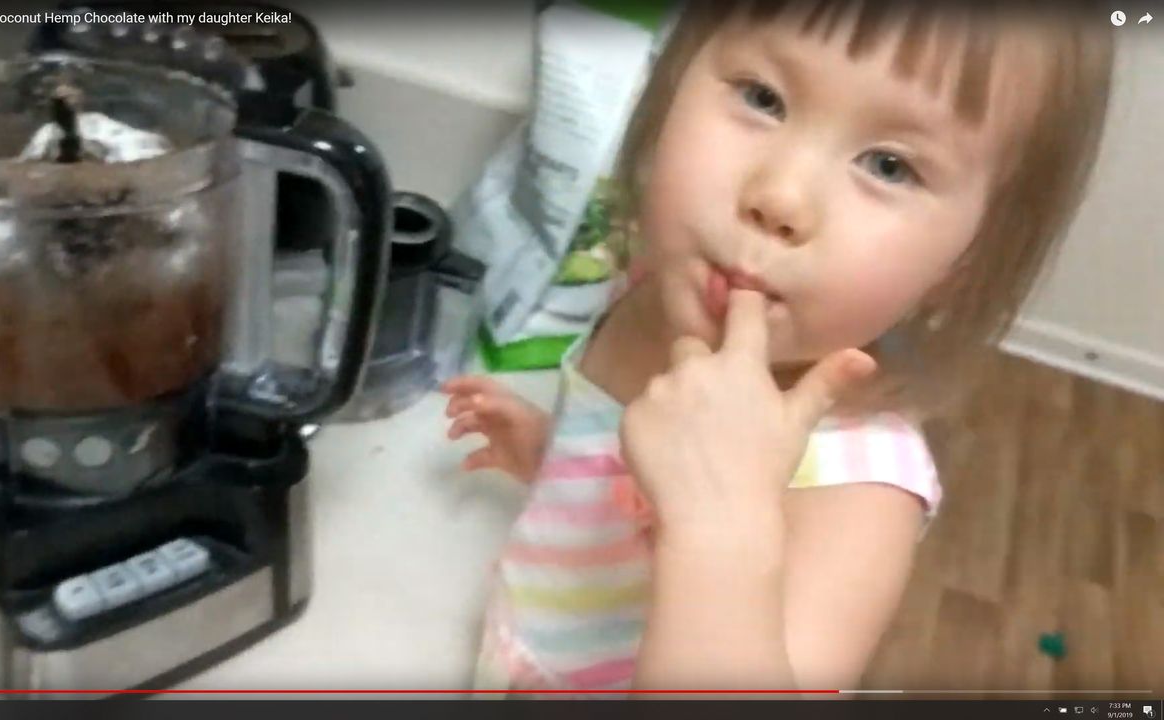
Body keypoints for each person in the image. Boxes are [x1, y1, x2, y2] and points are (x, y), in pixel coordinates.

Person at [443, 0, 1113, 694]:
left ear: (962, 265)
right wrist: (552, 454)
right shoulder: (650, 290)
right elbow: (624, 495)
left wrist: (721, 530)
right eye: (764, 98)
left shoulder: (859, 488)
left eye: (888, 166)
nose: (780, 198)